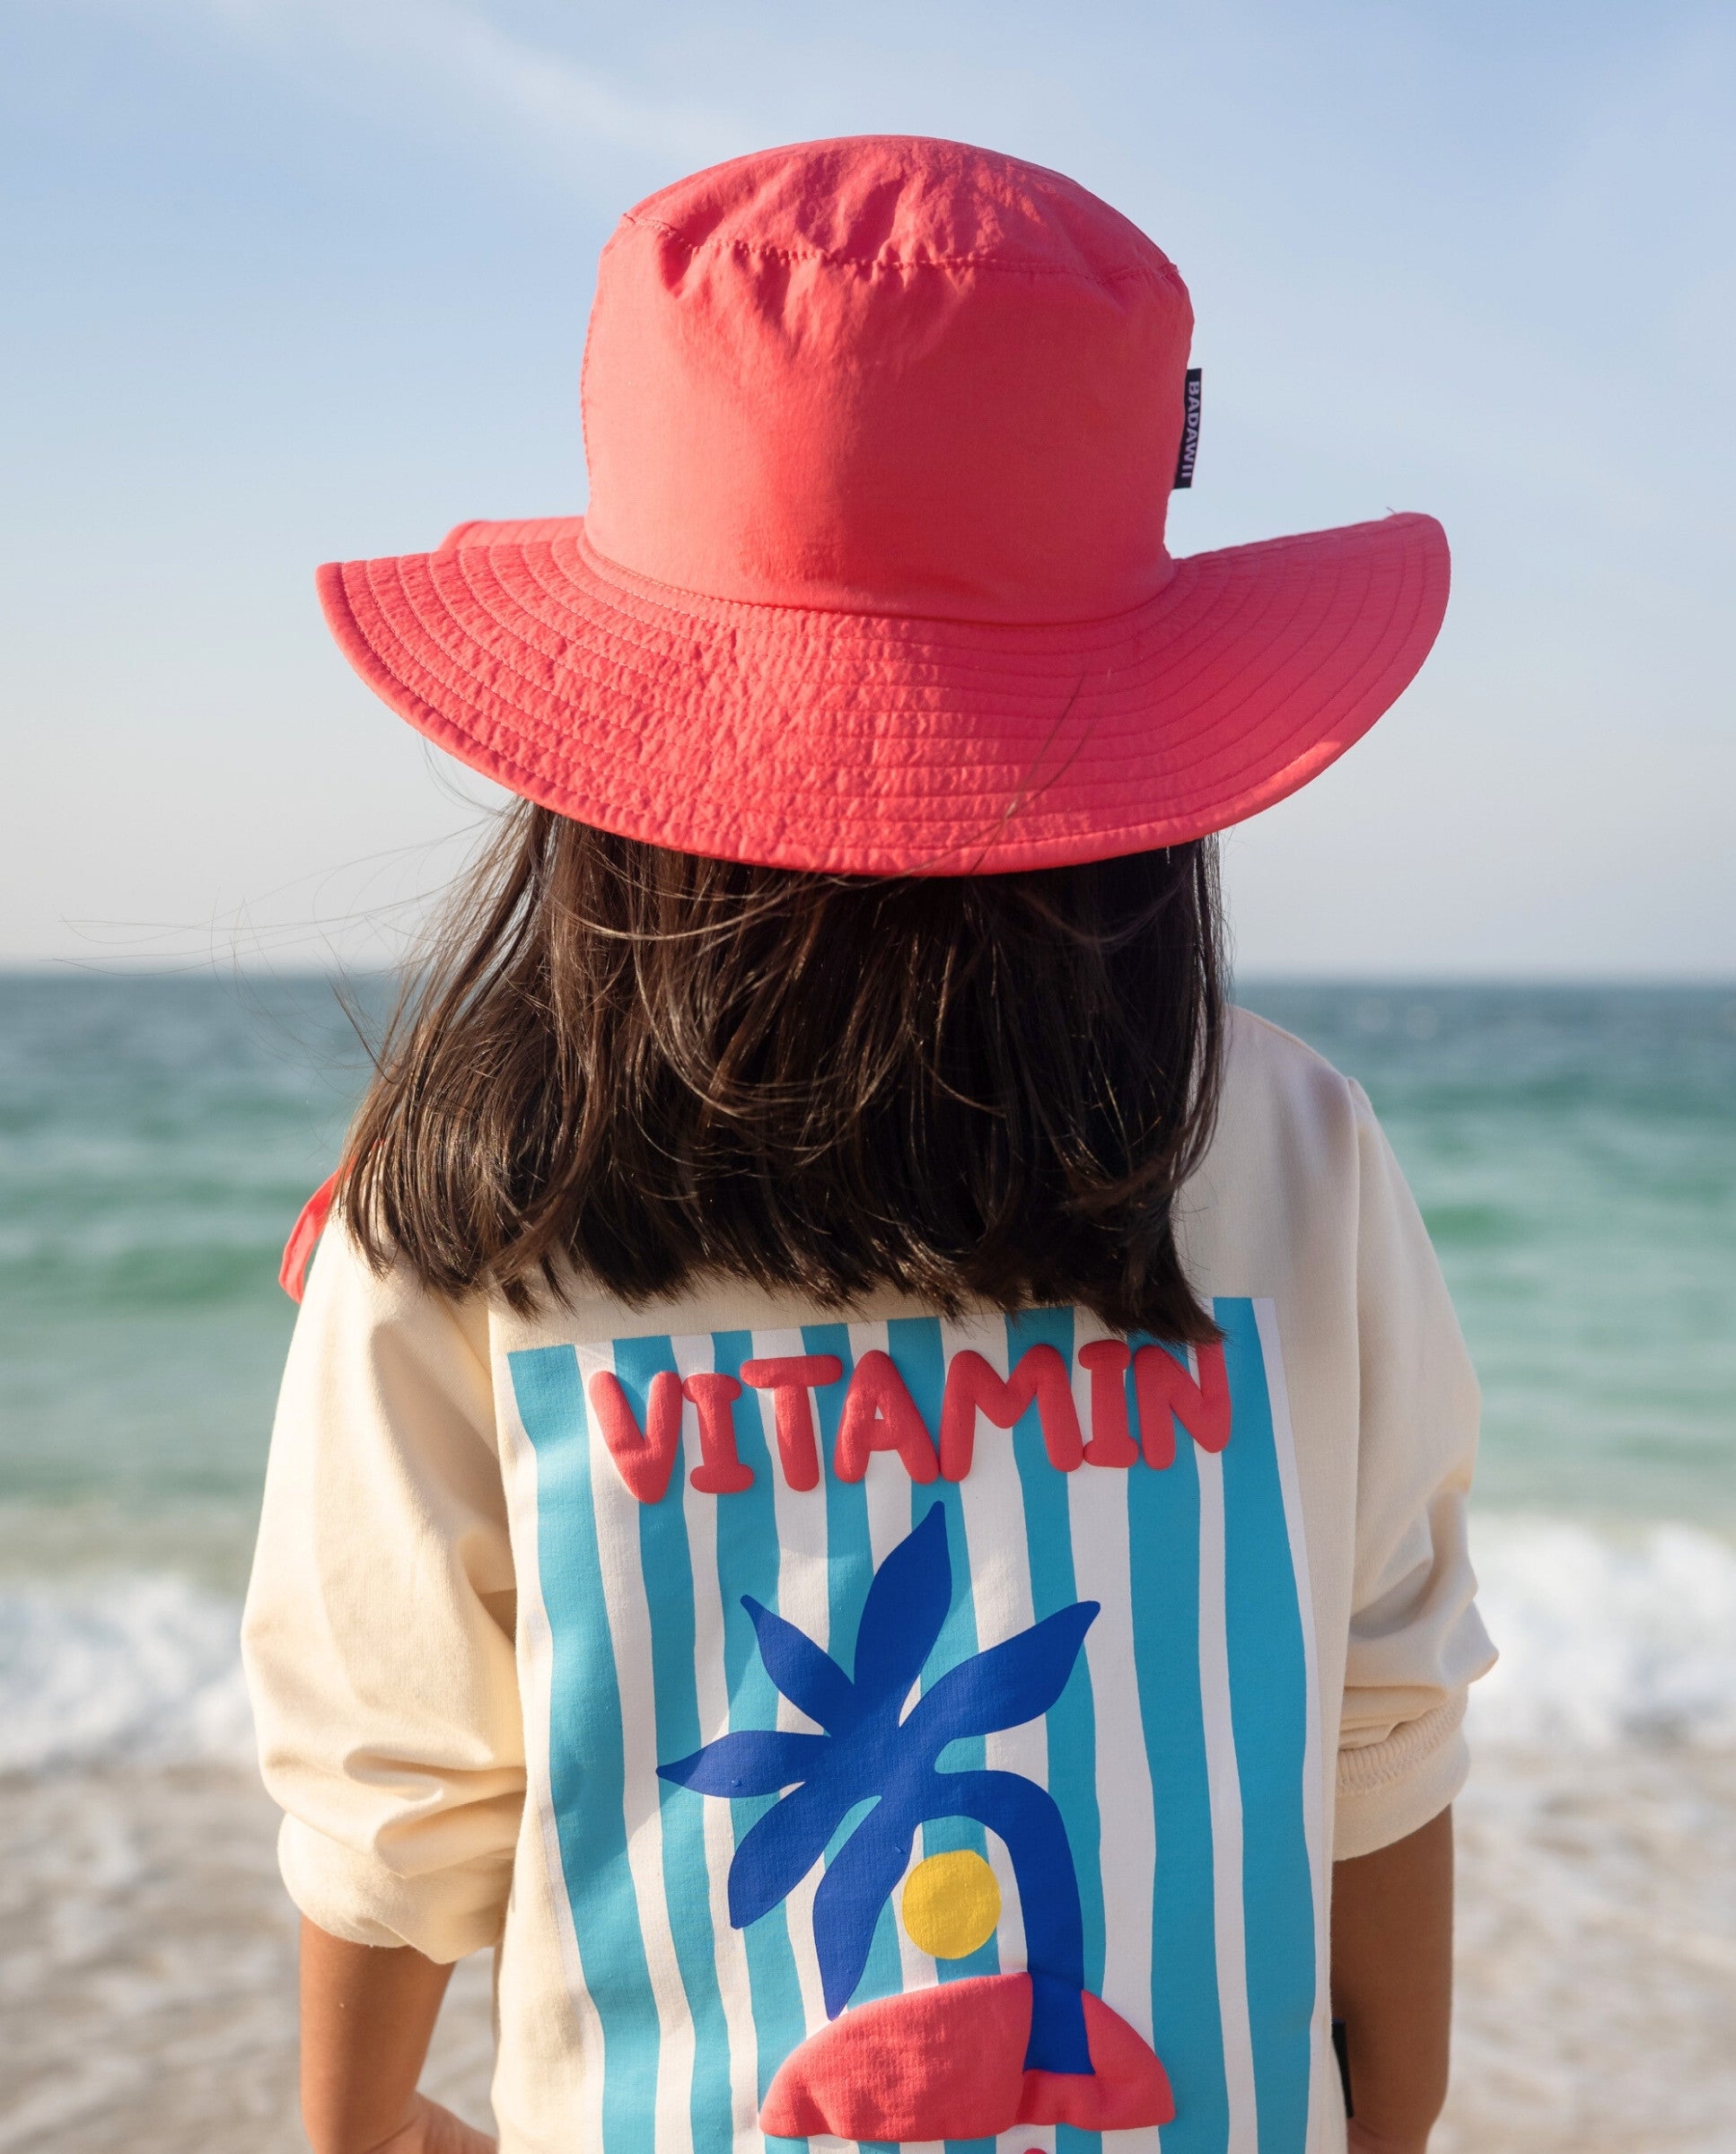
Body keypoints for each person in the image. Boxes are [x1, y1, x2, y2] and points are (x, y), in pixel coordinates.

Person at [243, 135, 1495, 2154]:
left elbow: (392, 1791)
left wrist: (363, 2130)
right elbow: (1380, 1724)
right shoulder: (1287, 1145)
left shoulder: (468, 1202)